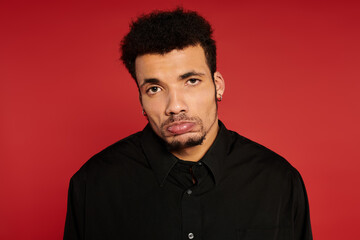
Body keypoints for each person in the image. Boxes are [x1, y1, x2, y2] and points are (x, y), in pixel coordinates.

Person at [64, 8, 312, 240]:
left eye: (191, 81)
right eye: (154, 88)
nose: (174, 106)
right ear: (141, 100)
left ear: (218, 85)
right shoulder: (92, 185)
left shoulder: (278, 181)